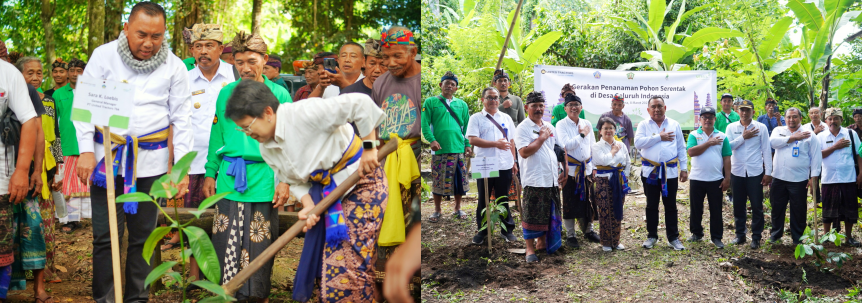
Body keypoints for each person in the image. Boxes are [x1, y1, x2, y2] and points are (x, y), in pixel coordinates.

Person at [223, 80, 387, 303]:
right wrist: (308, 204)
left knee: (349, 261)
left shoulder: (305, 111)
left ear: (268, 112)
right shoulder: (266, 147)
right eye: (241, 128)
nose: (246, 133)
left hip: (361, 182)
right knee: (330, 263)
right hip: (326, 195)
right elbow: (294, 179)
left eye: (248, 126)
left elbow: (360, 103)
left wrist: (370, 148)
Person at [73, 3, 193, 302]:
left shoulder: (175, 66)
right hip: (108, 161)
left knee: (144, 238)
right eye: (141, 34)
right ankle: (106, 298)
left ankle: (137, 298)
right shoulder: (103, 56)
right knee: (104, 237)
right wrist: (86, 150)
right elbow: (85, 107)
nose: (149, 43)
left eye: (157, 36)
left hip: (151, 165)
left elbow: (182, 119)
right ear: (126, 28)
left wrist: (180, 170)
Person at [203, 31, 291, 302]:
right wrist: (210, 171)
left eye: (251, 61)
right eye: (239, 62)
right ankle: (226, 295)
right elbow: (217, 135)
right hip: (228, 177)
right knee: (224, 241)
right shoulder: (226, 93)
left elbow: (290, 140)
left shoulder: (279, 94)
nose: (245, 68)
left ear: (265, 60)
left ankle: (258, 297)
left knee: (260, 243)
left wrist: (286, 180)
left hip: (264, 176)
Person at [372, 26, 422, 248]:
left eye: (397, 56)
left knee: (416, 221)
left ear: (413, 52)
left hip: (416, 157)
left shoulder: (422, 81)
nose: (390, 63)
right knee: (385, 216)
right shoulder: (380, 83)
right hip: (385, 159)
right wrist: (370, 152)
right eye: (385, 58)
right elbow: (371, 127)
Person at [12, 57, 57, 301]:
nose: (35, 76)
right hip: (3, 171)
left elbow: (39, 134)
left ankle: (38, 289)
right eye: (30, 72)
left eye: (39, 72)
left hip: (27, 172)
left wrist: (37, 171)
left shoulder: (30, 93)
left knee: (34, 226)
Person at [0, 58, 39, 303]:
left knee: (1, 243)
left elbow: (29, 121)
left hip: (1, 175)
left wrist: (22, 170)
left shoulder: (7, 73)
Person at [635, 96, 688, 251]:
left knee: (670, 205)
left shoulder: (674, 124)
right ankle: (651, 236)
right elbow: (638, 143)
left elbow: (681, 148)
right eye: (653, 107)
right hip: (650, 172)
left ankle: (673, 237)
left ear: (665, 108)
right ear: (648, 109)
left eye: (659, 106)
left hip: (670, 172)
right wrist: (659, 137)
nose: (656, 109)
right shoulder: (644, 125)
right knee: (651, 204)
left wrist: (683, 168)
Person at [516, 91, 564, 262]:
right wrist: (542, 138)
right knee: (531, 213)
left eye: (541, 106)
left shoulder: (549, 126)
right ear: (527, 107)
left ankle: (543, 243)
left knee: (548, 212)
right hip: (534, 178)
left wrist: (563, 170)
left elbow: (556, 149)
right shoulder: (523, 128)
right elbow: (524, 152)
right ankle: (529, 249)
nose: (538, 109)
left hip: (551, 178)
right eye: (534, 106)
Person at [465, 87, 517, 243]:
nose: (494, 100)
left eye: (496, 98)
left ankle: (507, 230)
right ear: (483, 100)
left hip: (504, 163)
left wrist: (514, 161)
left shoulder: (506, 118)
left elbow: (512, 141)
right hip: (484, 163)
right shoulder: (476, 118)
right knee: (484, 198)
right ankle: (482, 231)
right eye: (490, 97)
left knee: (503, 198)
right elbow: (472, 140)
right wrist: (496, 144)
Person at [423, 72, 472, 223]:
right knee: (438, 179)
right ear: (440, 85)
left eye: (452, 84)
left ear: (456, 88)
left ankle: (457, 208)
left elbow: (467, 128)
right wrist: (431, 140)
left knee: (459, 180)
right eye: (446, 83)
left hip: (458, 148)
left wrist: (468, 144)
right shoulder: (431, 102)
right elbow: (424, 123)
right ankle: (437, 210)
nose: (449, 86)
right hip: (439, 148)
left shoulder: (462, 104)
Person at [769, 107, 821, 244]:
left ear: (801, 118)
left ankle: (797, 237)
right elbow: (772, 143)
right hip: (779, 177)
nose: (791, 120)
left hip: (799, 179)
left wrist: (814, 177)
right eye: (789, 117)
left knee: (798, 209)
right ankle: (776, 234)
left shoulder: (809, 134)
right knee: (777, 207)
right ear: (784, 119)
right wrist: (793, 138)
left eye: (795, 117)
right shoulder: (778, 131)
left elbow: (816, 157)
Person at [725, 100, 772, 249]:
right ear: (737, 111)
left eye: (747, 110)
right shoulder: (731, 127)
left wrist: (768, 172)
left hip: (755, 172)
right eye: (741, 110)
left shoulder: (761, 128)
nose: (744, 113)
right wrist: (743, 137)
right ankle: (740, 235)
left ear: (753, 112)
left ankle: (756, 237)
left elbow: (766, 150)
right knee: (738, 205)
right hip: (737, 171)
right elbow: (728, 147)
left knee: (757, 205)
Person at [556, 92, 599, 248]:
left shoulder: (587, 123)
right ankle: (570, 234)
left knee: (589, 201)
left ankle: (589, 230)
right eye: (570, 105)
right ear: (565, 108)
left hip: (586, 169)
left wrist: (594, 167)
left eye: (576, 105)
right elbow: (565, 145)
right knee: (569, 202)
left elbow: (593, 146)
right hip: (571, 170)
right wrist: (581, 135)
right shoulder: (561, 124)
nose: (574, 108)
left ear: (581, 107)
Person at [685, 106, 732, 249]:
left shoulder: (722, 136)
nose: (707, 120)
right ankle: (696, 233)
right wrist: (709, 143)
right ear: (700, 120)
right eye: (704, 117)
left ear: (714, 119)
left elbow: (727, 158)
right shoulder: (694, 135)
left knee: (716, 209)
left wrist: (727, 178)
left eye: (710, 117)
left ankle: (717, 237)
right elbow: (691, 152)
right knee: (696, 208)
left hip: (716, 179)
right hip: (697, 178)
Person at [54, 58, 91, 231]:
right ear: (68, 72)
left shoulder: (92, 92)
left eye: (79, 70)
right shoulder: (59, 94)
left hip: (87, 146)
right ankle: (68, 220)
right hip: (67, 143)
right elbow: (55, 121)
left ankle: (83, 218)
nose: (75, 74)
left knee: (84, 182)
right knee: (67, 183)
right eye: (72, 70)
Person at [817, 108, 862, 246]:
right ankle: (826, 237)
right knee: (828, 209)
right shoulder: (821, 137)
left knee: (849, 209)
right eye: (830, 119)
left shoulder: (850, 133)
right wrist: (835, 147)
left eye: (836, 118)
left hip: (848, 178)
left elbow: (858, 154)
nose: (832, 121)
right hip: (828, 179)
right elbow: (818, 156)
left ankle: (848, 238)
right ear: (826, 121)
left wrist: (861, 173)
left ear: (841, 120)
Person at [592, 117, 631, 252]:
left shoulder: (622, 145)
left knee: (617, 209)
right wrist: (613, 151)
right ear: (600, 131)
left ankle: (616, 240)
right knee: (605, 211)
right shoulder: (597, 146)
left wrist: (624, 176)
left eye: (611, 128)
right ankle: (606, 242)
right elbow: (603, 160)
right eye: (605, 128)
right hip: (603, 180)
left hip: (618, 180)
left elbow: (627, 162)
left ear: (615, 130)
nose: (608, 131)